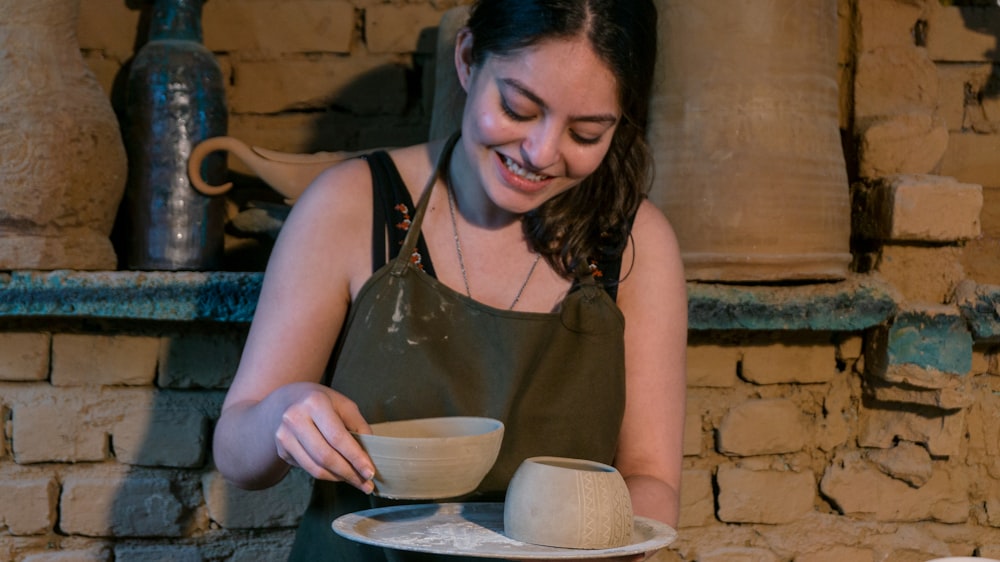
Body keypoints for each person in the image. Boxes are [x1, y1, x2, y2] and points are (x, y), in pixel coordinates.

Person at [212, 0, 687, 560]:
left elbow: (651, 478)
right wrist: (283, 413)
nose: (540, 153)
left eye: (585, 133)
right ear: (466, 59)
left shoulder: (635, 241)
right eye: (518, 107)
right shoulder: (350, 204)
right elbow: (237, 457)